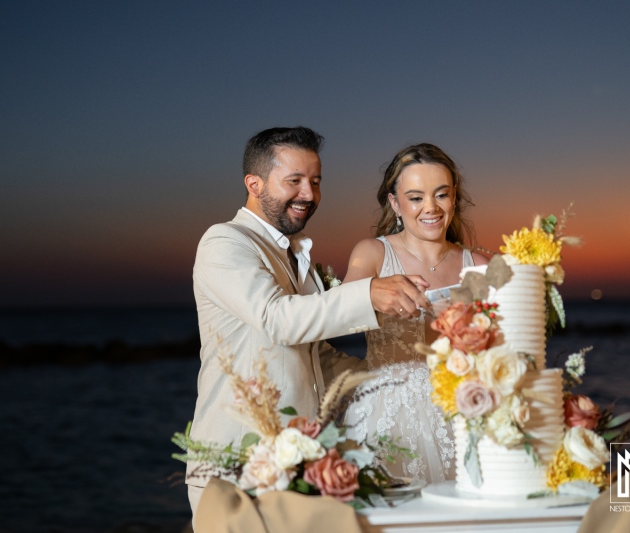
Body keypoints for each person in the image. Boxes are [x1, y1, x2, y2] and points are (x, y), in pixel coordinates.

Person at [187, 127, 431, 516]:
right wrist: (367, 292)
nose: (308, 194)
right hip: (236, 470)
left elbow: (315, 357)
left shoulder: (295, 256)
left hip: (300, 469)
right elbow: (276, 319)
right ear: (254, 183)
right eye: (294, 181)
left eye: (315, 182)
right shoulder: (225, 242)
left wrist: (402, 382)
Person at [343, 142, 489, 484]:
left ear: (454, 197)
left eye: (441, 194)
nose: (431, 208)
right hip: (388, 414)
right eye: (416, 197)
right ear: (395, 203)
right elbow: (338, 313)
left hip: (464, 409)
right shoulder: (373, 254)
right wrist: (378, 294)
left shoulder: (479, 265)